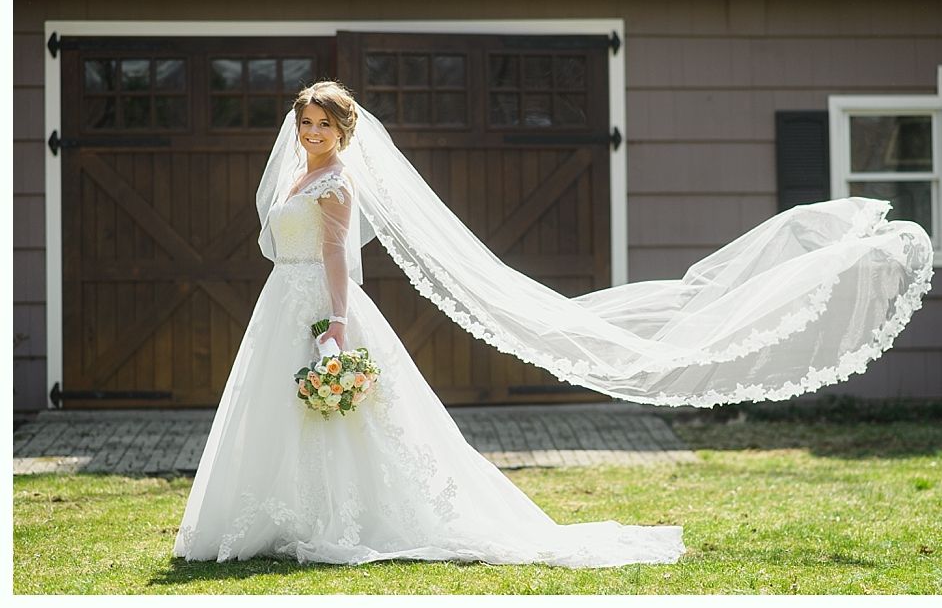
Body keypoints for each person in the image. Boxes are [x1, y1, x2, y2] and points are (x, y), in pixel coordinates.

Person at [173, 81, 686, 566]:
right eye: (306, 122)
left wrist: (336, 321)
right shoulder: (296, 176)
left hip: (318, 304)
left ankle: (345, 518)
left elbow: (336, 254)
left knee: (349, 416)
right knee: (279, 408)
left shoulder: (334, 182)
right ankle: (283, 515)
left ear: (343, 131)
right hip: (281, 299)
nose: (313, 132)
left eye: (325, 125)